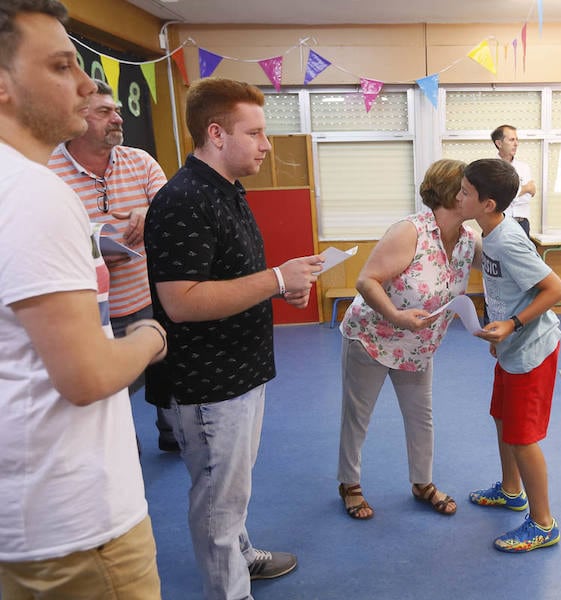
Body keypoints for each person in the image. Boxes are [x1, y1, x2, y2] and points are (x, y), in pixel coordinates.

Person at [0, 2, 166, 597]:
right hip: (75, 522)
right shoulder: (35, 193)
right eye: (61, 65)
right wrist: (152, 336)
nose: (82, 83)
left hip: (28, 509)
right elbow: (88, 374)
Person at [143, 77, 323, 599]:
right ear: (216, 134)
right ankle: (230, 592)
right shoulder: (184, 198)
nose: (267, 145)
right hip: (208, 383)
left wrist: (279, 284)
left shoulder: (225, 189)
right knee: (218, 499)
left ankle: (242, 555)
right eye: (257, 133)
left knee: (233, 488)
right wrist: (273, 279)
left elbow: (223, 275)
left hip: (240, 370)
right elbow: (181, 300)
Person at [337, 158, 481, 520]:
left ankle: (422, 482)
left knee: (421, 417)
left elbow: (501, 261)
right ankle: (349, 483)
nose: (473, 196)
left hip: (419, 347)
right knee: (358, 416)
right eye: (467, 190)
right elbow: (366, 280)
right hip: (373, 337)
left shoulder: (467, 241)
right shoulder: (410, 231)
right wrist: (396, 316)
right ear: (451, 194)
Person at [48, 78, 177, 452]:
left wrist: (147, 210)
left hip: (145, 296)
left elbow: (174, 213)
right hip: (89, 313)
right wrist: (94, 254)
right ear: (77, 119)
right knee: (110, 392)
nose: (117, 118)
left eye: (117, 110)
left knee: (163, 368)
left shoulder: (140, 161)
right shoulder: (48, 171)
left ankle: (170, 432)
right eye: (104, 112)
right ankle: (125, 449)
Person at [461, 158, 561, 553]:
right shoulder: (488, 235)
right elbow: (502, 287)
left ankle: (543, 524)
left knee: (523, 438)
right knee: (502, 418)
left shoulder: (507, 239)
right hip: (510, 346)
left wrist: (513, 325)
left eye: (466, 192)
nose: (459, 196)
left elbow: (556, 289)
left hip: (532, 351)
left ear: (488, 204)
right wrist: (498, 328)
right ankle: (510, 491)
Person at [491, 124, 536, 236]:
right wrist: (525, 188)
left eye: (517, 140)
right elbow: (499, 197)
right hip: (499, 223)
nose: (516, 144)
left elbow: (531, 194)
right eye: (511, 140)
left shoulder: (524, 167)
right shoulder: (491, 167)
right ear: (499, 143)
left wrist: (511, 194)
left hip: (522, 223)